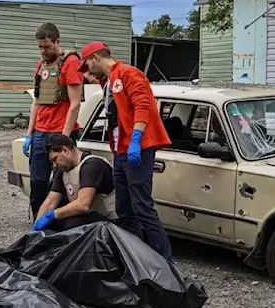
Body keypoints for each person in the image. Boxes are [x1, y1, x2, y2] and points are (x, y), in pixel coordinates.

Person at [78, 41, 173, 261]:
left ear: (96, 58)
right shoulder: (109, 81)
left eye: (88, 66)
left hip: (136, 150)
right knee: (123, 207)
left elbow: (143, 105)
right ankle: (136, 256)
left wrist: (136, 140)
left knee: (142, 206)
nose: (88, 72)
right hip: (121, 151)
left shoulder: (129, 73)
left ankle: (164, 260)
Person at [22, 22, 85, 219]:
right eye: (40, 47)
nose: (43, 51)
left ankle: (63, 224)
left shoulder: (70, 62)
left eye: (46, 47)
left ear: (57, 41)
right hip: (40, 132)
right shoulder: (41, 65)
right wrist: (29, 134)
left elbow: (75, 104)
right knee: (38, 183)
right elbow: (37, 101)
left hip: (60, 131)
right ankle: (38, 227)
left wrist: (63, 138)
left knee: (66, 182)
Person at [32, 134, 118, 232]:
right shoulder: (64, 170)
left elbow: (83, 205)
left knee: (71, 225)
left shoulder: (93, 165)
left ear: (65, 150)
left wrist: (53, 215)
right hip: (89, 218)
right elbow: (50, 202)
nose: (55, 165)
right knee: (50, 223)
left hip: (108, 223)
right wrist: (37, 226)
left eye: (55, 159)